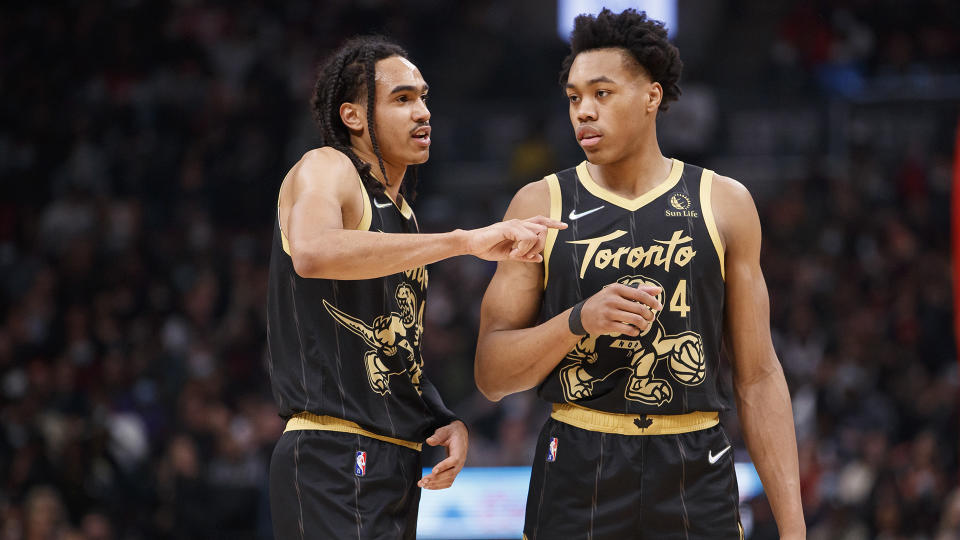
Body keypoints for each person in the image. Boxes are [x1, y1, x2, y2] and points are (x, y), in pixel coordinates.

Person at [475, 9, 805, 540]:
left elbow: (759, 375)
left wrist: (794, 529)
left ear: (652, 97)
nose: (583, 111)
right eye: (574, 97)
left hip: (696, 461)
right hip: (580, 457)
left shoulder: (724, 202)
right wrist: (579, 320)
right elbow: (491, 375)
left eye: (602, 94)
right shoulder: (540, 202)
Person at [266, 36, 564, 540]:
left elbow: (394, 345)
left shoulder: (404, 219)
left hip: (393, 462)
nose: (422, 111)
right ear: (354, 116)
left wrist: (437, 417)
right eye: (402, 99)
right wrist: (462, 241)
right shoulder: (328, 167)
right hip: (332, 454)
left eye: (424, 97)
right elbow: (313, 252)